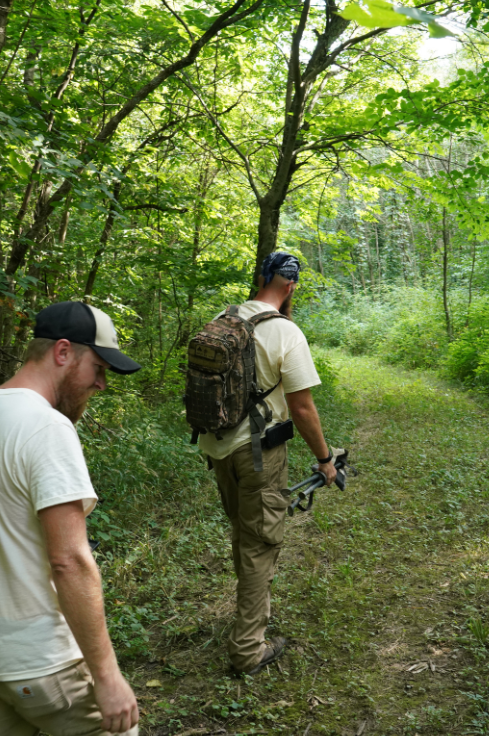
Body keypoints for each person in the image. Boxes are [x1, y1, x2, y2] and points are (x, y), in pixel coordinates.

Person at [0, 301, 142, 736]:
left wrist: (8, 543)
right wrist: (107, 677)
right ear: (63, 352)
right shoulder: (47, 427)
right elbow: (70, 561)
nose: (100, 384)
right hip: (44, 663)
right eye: (97, 368)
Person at [198, 252, 337, 676]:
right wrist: (325, 460)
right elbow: (302, 407)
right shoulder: (284, 332)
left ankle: (249, 613)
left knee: (245, 531)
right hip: (260, 452)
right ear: (291, 285)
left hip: (217, 447)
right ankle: (248, 649)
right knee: (261, 543)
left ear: (259, 278)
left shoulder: (224, 317)